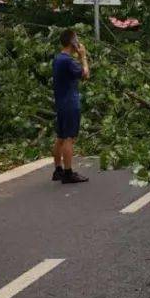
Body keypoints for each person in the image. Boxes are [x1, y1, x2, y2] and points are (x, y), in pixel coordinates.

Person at [51, 29, 89, 184]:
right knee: (69, 138)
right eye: (77, 40)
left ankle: (58, 170)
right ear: (73, 42)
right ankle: (68, 172)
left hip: (61, 102)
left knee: (60, 137)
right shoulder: (68, 61)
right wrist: (83, 57)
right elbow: (85, 74)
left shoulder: (58, 59)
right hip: (70, 103)